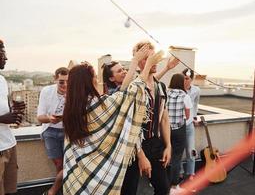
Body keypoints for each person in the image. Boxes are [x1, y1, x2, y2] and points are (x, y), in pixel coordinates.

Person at [62, 52, 163, 195]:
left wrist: (136, 62)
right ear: (88, 82)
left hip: (79, 175)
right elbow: (129, 95)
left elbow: (122, 95)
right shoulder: (98, 105)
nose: (97, 80)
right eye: (95, 77)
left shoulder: (71, 108)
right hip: (99, 176)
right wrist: (145, 65)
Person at [121, 41, 172, 195]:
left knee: (163, 189)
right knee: (129, 191)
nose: (152, 61)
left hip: (155, 144)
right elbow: (128, 123)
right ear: (139, 62)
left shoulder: (160, 87)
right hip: (134, 146)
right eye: (146, 58)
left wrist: (168, 145)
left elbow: (164, 118)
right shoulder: (135, 86)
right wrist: (140, 155)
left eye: (154, 57)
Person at [37, 67, 69, 195]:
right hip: (50, 131)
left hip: (69, 132)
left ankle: (53, 191)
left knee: (70, 164)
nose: (65, 85)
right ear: (55, 79)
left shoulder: (74, 91)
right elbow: (39, 117)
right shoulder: (46, 91)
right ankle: (63, 190)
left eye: (68, 81)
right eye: (61, 81)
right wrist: (50, 119)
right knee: (60, 165)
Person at [0, 39, 25, 195]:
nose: (6, 58)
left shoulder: (2, 80)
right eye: (3, 53)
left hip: (9, 144)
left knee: (11, 191)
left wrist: (14, 110)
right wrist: (2, 119)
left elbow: (4, 109)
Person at [167, 73, 192, 190]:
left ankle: (159, 181)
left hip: (166, 129)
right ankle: (174, 185)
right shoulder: (185, 96)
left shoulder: (166, 94)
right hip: (179, 129)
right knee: (176, 157)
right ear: (182, 82)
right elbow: (187, 115)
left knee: (164, 155)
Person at [181, 68, 200, 180]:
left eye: (187, 78)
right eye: (183, 78)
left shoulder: (196, 90)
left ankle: (191, 173)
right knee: (177, 151)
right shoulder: (178, 89)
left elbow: (196, 105)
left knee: (191, 150)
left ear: (191, 79)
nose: (185, 80)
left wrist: (194, 117)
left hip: (189, 125)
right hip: (178, 125)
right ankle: (179, 171)